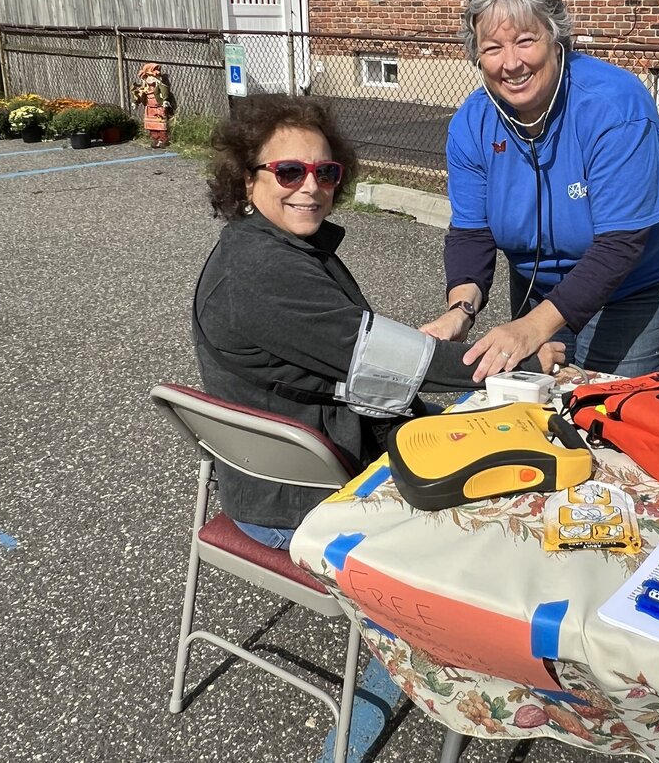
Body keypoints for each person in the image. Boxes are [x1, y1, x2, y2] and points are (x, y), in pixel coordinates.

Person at [194, 94, 563, 548]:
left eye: (325, 172)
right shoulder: (263, 270)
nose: (310, 187)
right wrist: (515, 357)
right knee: (507, 517)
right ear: (247, 181)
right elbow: (389, 361)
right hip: (305, 497)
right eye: (289, 171)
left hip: (292, 473)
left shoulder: (267, 247)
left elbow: (359, 347)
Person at [422, 0, 659, 381]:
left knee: (606, 402)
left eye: (525, 41)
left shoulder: (614, 107)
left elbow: (620, 244)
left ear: (556, 38)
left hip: (640, 278)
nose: (511, 63)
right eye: (492, 48)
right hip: (539, 276)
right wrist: (460, 310)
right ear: (476, 55)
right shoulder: (471, 122)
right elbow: (472, 231)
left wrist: (532, 327)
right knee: (536, 392)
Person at [131, 62, 171, 148]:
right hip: (149, 108)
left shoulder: (160, 86)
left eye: (152, 77)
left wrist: (165, 100)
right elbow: (139, 94)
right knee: (152, 125)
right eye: (148, 77)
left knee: (161, 124)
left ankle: (163, 139)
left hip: (158, 108)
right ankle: (155, 139)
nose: (150, 79)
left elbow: (165, 92)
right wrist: (135, 102)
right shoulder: (144, 88)